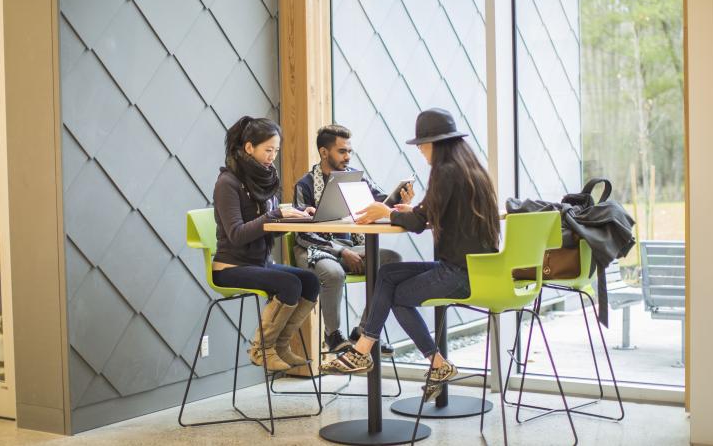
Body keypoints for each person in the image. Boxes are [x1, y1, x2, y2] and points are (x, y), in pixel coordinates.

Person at [320, 109, 501, 403]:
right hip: (476, 269)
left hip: (460, 273)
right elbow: (428, 215)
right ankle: (417, 361)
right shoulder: (469, 169)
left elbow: (417, 224)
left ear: (433, 143)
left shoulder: (445, 171)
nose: (420, 151)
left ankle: (366, 352)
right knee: (388, 275)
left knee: (396, 294)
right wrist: (410, 211)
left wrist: (388, 211)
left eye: (421, 145)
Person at [292, 124, 414, 355]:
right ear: (324, 152)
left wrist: (401, 201)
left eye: (349, 151)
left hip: (351, 247)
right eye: (342, 151)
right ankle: (332, 335)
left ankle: (365, 331)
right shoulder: (305, 185)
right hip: (313, 250)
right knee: (334, 273)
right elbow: (303, 234)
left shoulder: (356, 178)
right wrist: (341, 252)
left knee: (392, 261)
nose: (348, 156)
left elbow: (381, 202)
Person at [212, 116, 321, 372]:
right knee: (289, 284)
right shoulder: (227, 183)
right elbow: (237, 234)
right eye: (268, 150)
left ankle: (280, 346)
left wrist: (296, 218)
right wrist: (274, 215)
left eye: (276, 150)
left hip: (260, 263)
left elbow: (268, 230)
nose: (272, 157)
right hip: (230, 267)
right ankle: (261, 349)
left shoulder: (264, 179)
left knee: (310, 281)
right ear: (249, 147)